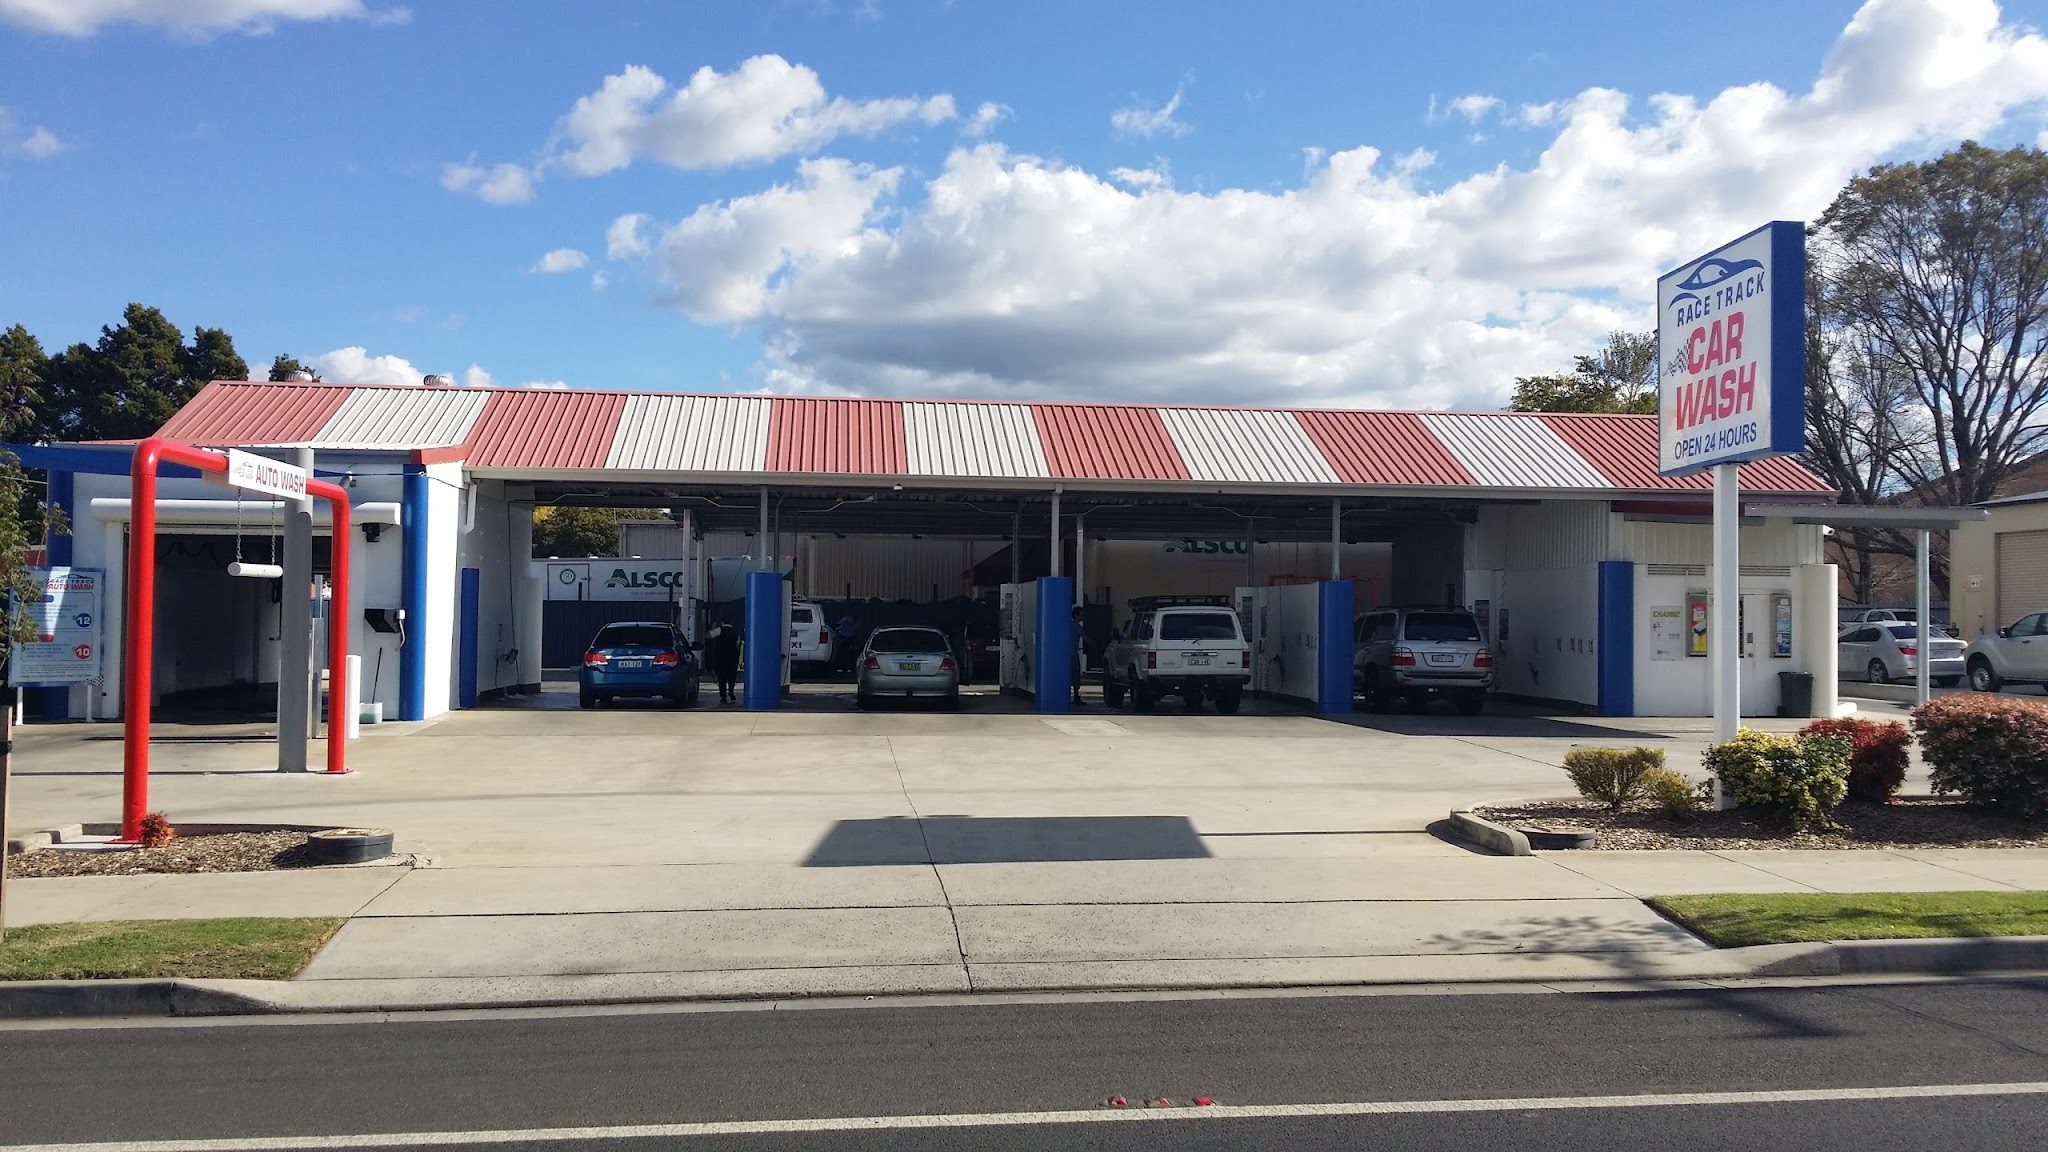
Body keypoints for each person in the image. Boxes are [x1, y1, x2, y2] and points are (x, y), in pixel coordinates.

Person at [708, 615, 744, 704]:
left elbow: (708, 636)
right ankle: (731, 693)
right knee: (732, 677)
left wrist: (712, 627)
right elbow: (737, 645)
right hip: (732, 658)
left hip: (721, 658)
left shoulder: (719, 630)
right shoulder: (735, 632)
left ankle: (723, 696)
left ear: (722, 622)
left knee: (722, 678)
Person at [1070, 604, 1087, 707]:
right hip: (1073, 655)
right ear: (1076, 615)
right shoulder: (1077, 626)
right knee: (1075, 675)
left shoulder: (1067, 624)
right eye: (1081, 615)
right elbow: (1085, 638)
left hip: (1065, 654)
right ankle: (1076, 697)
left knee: (1067, 675)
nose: (1083, 616)